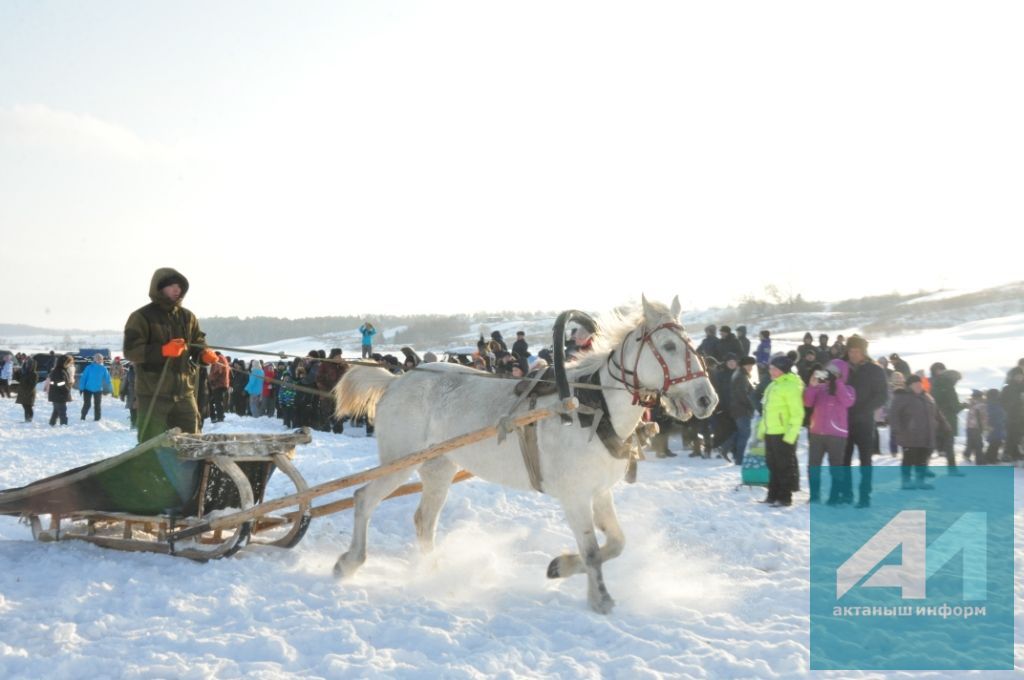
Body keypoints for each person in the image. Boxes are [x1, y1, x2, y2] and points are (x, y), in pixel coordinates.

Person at [123, 268, 218, 443]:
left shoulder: (188, 317)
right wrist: (163, 350)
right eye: (172, 286)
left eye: (180, 287)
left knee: (192, 442)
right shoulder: (141, 317)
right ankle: (149, 470)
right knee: (151, 444)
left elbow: (197, 342)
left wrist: (204, 354)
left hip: (184, 392)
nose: (177, 290)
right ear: (159, 288)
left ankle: (187, 471)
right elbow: (131, 351)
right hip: (153, 393)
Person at [840, 334, 889, 508]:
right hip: (844, 421)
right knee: (843, 460)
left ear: (864, 352)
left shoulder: (875, 370)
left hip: (864, 421)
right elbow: (823, 379)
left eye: (857, 351)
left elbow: (883, 395)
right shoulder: (840, 366)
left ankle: (864, 496)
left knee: (865, 461)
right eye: (850, 351)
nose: (853, 354)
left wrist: (865, 409)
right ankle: (846, 493)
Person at [803, 359, 856, 504]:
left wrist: (837, 382)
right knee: (813, 465)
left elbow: (848, 401)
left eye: (835, 372)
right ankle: (814, 495)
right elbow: (807, 402)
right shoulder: (820, 388)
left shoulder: (848, 389)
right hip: (817, 432)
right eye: (829, 371)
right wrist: (812, 386)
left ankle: (834, 496)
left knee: (836, 466)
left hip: (837, 434)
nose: (831, 374)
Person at [756, 354, 804, 507]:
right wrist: (762, 431)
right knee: (772, 465)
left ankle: (785, 497)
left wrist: (791, 435)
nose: (771, 371)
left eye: (774, 369)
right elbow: (766, 410)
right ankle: (772, 494)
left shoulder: (790, 386)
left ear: (783, 370)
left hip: (783, 433)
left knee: (784, 466)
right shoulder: (773, 385)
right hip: (771, 432)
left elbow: (797, 413)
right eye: (770, 368)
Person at [890, 374, 947, 489]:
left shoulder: (927, 397)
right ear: (909, 386)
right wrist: (896, 430)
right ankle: (906, 482)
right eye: (915, 384)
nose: (918, 386)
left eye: (919, 384)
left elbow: (937, 413)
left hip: (926, 434)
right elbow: (894, 415)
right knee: (909, 459)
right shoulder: (902, 397)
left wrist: (943, 424)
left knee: (922, 459)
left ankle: (919, 481)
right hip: (909, 434)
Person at [929, 362, 964, 473]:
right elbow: (955, 407)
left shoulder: (934, 384)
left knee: (931, 444)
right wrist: (965, 405)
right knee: (949, 445)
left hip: (936, 418)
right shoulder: (949, 387)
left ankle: (921, 467)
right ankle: (952, 469)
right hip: (947, 419)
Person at [728, 356, 757, 465]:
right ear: (743, 365)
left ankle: (728, 447)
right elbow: (742, 395)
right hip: (741, 409)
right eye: (748, 365)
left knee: (741, 433)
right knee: (745, 434)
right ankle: (739, 458)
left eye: (751, 366)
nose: (750, 368)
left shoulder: (741, 375)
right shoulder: (741, 377)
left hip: (739, 409)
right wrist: (752, 405)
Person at [77, 353, 113, 421]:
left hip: (98, 389)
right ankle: (83, 416)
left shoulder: (103, 368)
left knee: (97, 405)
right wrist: (81, 388)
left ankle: (97, 419)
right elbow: (83, 378)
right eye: (97, 359)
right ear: (94, 360)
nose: (99, 360)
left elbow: (108, 380)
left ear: (102, 360)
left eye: (100, 359)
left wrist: (110, 389)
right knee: (87, 404)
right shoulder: (89, 367)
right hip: (87, 389)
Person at [1000, 367, 1024, 461]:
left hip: (1022, 415)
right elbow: (1002, 402)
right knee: (1012, 435)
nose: (1019, 378)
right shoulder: (1007, 388)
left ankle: (1016, 453)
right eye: (1017, 376)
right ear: (1012, 377)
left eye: (1021, 376)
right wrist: (1015, 402)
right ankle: (1007, 453)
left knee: (1020, 436)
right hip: (1012, 416)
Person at [47, 354, 75, 426]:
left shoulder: (60, 370)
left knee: (56, 411)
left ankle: (52, 424)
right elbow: (60, 383)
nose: (70, 364)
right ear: (64, 362)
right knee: (62, 412)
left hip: (56, 394)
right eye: (69, 363)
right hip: (59, 395)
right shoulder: (60, 371)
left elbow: (58, 382)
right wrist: (66, 389)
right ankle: (64, 425)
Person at [963, 390, 987, 464]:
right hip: (977, 427)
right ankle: (980, 461)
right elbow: (983, 417)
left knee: (970, 442)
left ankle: (966, 455)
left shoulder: (971, 404)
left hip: (969, 427)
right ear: (980, 397)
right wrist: (984, 427)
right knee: (978, 444)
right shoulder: (981, 405)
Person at [985, 388, 1006, 464]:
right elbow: (991, 414)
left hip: (997, 425)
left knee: (995, 442)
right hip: (995, 425)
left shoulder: (993, 403)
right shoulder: (992, 404)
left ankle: (990, 457)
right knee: (995, 442)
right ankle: (991, 458)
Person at [207, 352, 230, 423]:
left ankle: (220, 417)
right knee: (218, 401)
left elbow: (218, 371)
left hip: (218, 384)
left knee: (217, 402)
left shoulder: (219, 359)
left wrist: (211, 379)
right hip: (223, 383)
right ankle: (220, 416)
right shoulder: (223, 359)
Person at [15, 355, 38, 422]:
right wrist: (16, 372)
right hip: (23, 392)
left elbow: (32, 385)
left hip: (29, 393)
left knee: (28, 407)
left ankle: (29, 419)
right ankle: (26, 419)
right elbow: (19, 379)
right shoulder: (24, 372)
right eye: (27, 364)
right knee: (25, 406)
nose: (27, 365)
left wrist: (26, 392)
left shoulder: (34, 374)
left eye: (29, 364)